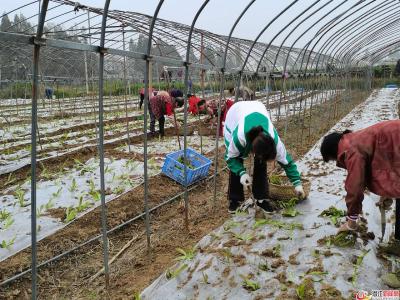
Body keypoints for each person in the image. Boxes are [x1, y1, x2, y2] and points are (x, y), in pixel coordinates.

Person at [320, 120, 400, 237]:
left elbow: (355, 186)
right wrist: (387, 192)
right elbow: (388, 164)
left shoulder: (352, 150)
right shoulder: (356, 139)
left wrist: (351, 222)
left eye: (333, 159)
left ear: (334, 151)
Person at [224, 100, 305, 213]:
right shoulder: (239, 138)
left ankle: (261, 199)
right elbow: (230, 158)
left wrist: (297, 183)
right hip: (235, 114)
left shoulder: (274, 142)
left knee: (261, 163)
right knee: (237, 159)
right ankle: (234, 199)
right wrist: (242, 173)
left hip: (257, 108)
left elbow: (287, 162)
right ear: (254, 151)